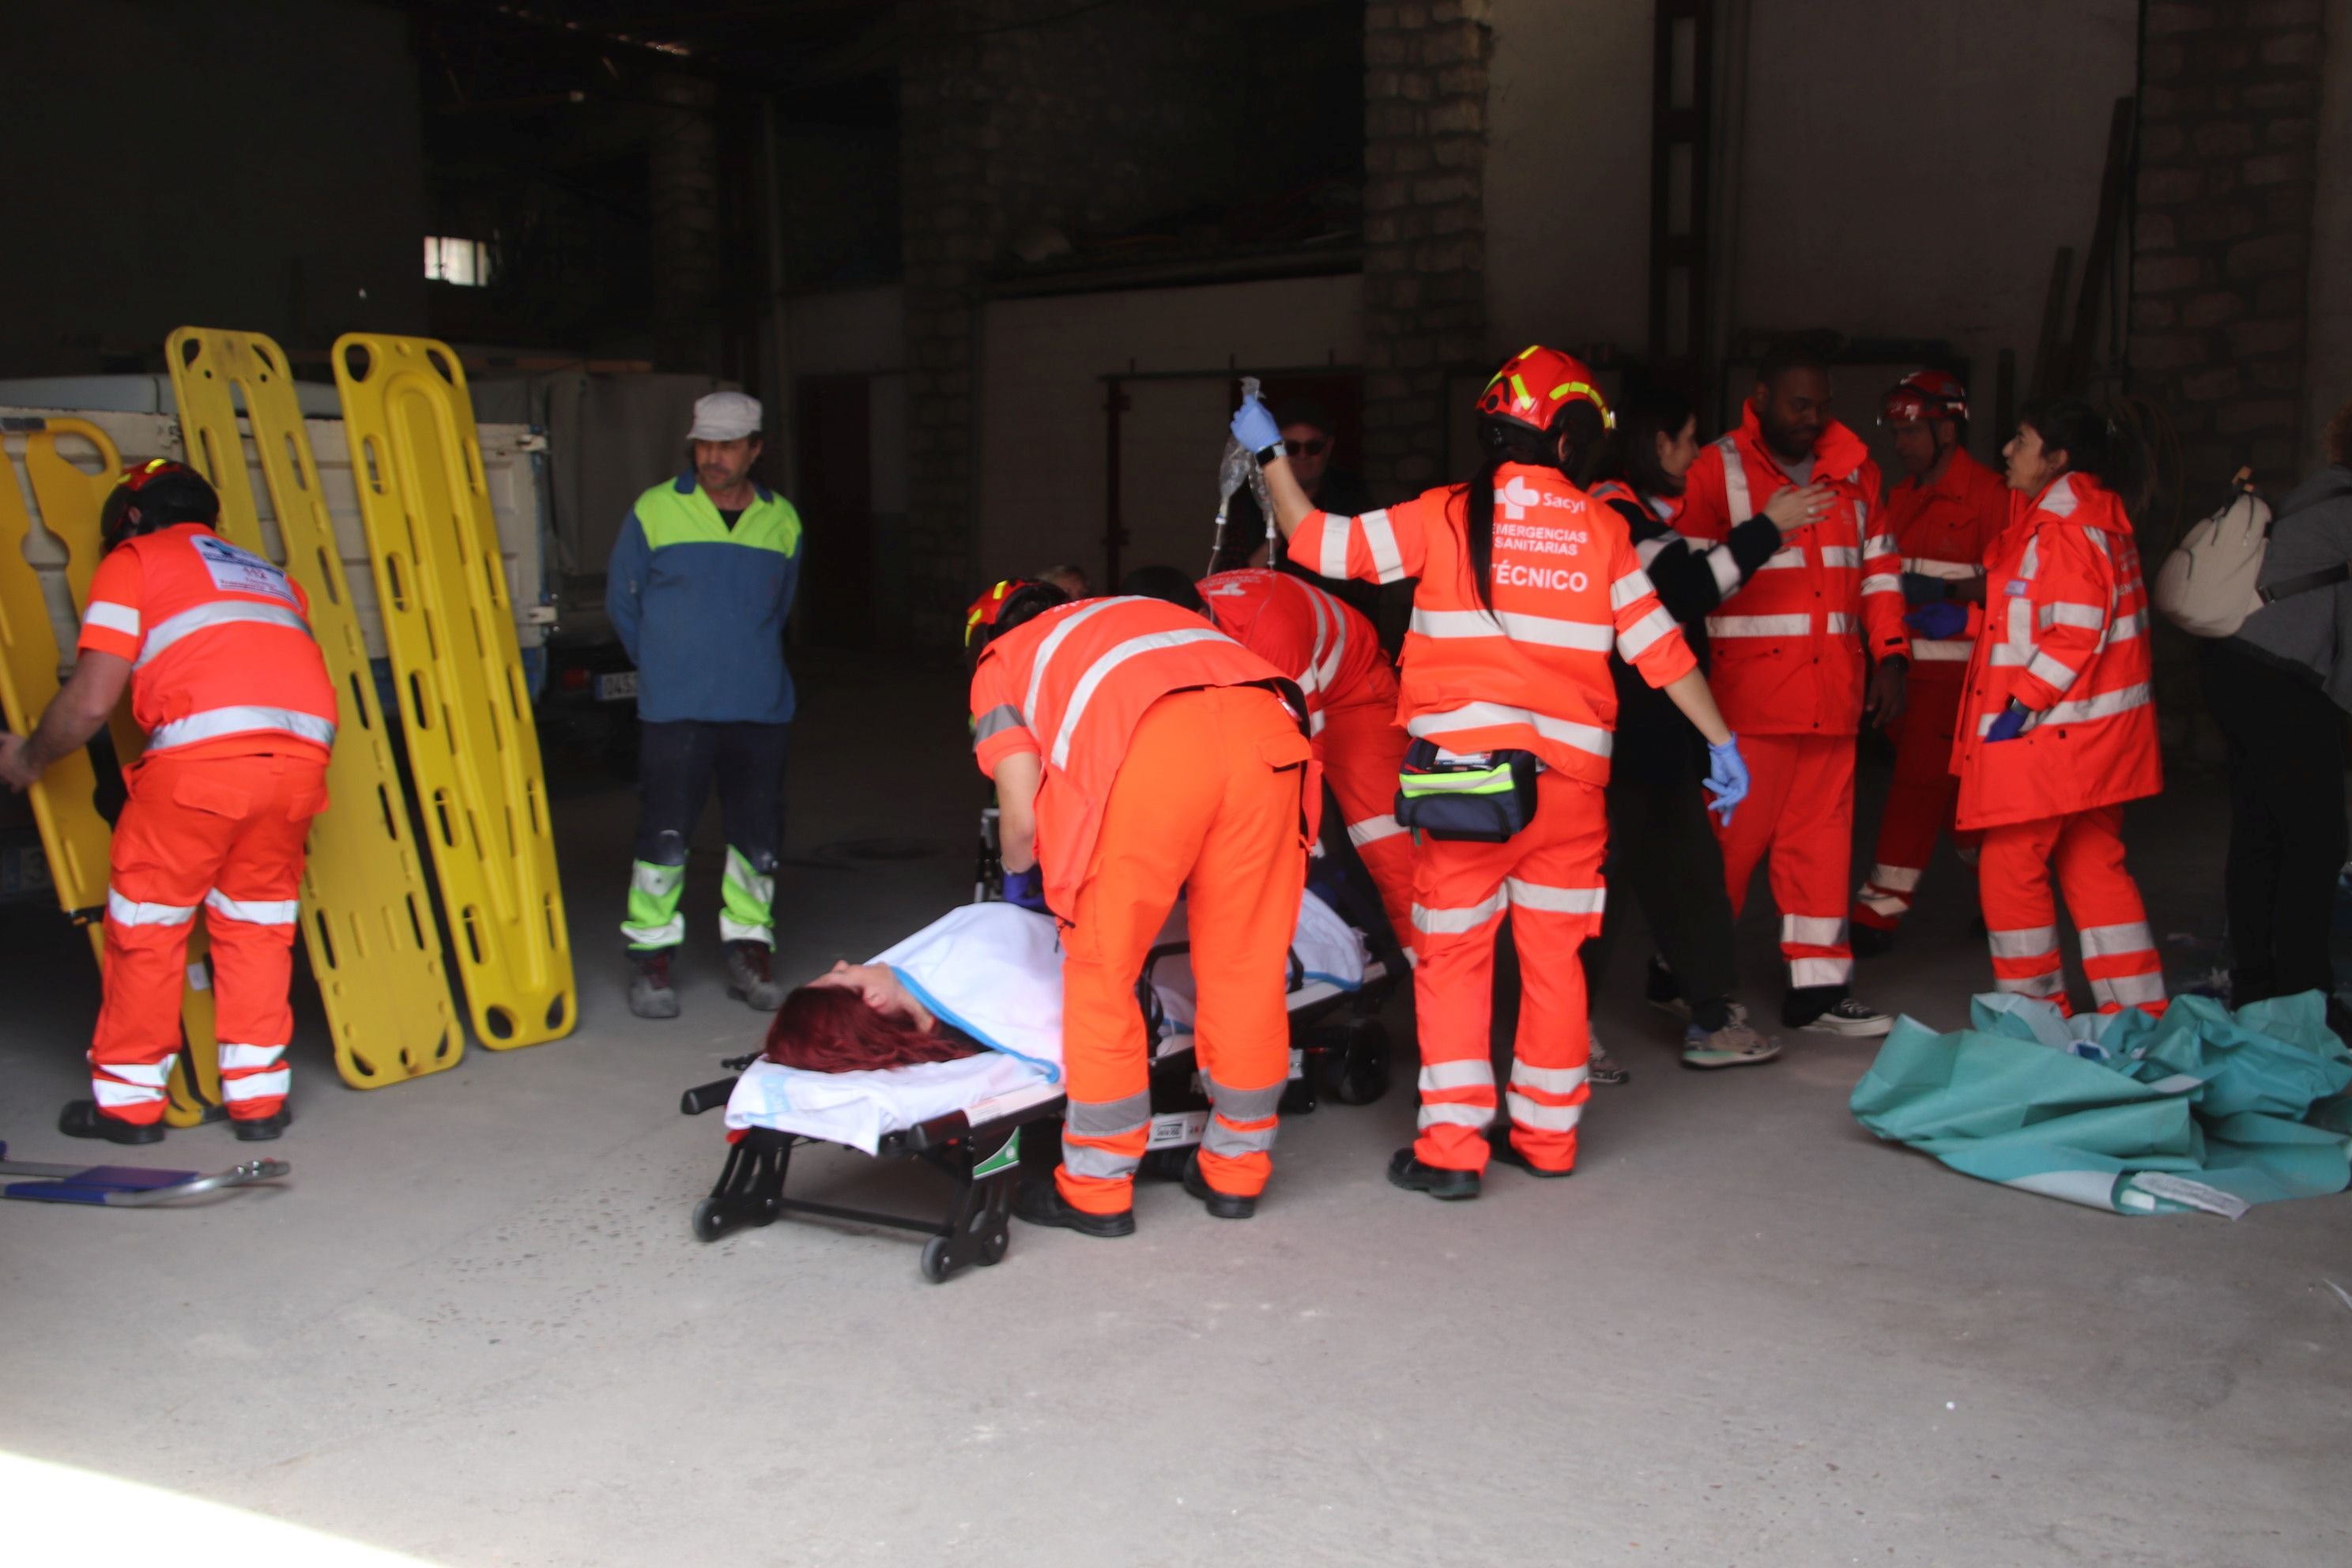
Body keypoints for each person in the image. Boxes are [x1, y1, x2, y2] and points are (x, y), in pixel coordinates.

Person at [1243, 345, 1751, 1198]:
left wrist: (1267, 454)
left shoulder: (1446, 513)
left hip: (1467, 789)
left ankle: (1452, 1150)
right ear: (1571, 440)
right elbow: (1661, 651)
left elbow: (1314, 540)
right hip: (1570, 797)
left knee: (1456, 960)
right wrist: (1721, 742)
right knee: (1556, 963)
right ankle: (1548, 1139)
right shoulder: (1602, 529)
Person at [0, 460, 336, 1144]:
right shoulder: (273, 578)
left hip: (200, 775)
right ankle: (259, 1104)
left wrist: (28, 758)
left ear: (129, 516)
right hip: (299, 773)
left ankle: (128, 1109)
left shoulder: (136, 560)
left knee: (149, 931)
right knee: (257, 928)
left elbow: (93, 700)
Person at [969, 582, 1317, 1233]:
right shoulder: (1142, 614)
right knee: (1246, 967)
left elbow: (1017, 826)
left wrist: (1027, 876)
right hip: (1268, 739)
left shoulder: (1004, 662)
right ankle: (1236, 1171)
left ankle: (1097, 1187)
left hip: (1150, 758)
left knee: (1103, 974)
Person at [1579, 384, 1827, 1072]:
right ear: (1658, 444)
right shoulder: (1612, 514)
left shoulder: (1631, 514)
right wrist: (1766, 529)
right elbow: (1683, 592)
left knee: (1681, 879)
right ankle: (1566, 1035)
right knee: (1595, 892)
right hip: (1619, 740)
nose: (1695, 455)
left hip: (1646, 740)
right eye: (1688, 439)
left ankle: (1709, 1016)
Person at [1675, 334, 1908, 1037]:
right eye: (1800, 403)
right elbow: (1684, 584)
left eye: (1824, 405)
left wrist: (1891, 653)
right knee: (1727, 851)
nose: (1813, 417)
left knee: (1823, 848)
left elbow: (1879, 571)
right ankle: (1686, 976)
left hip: (1832, 695)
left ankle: (1817, 989)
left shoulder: (1857, 472)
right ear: (1761, 401)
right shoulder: (1715, 469)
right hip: (1747, 701)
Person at [1954, 398, 2165, 1016]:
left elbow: (2074, 632)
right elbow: (2036, 620)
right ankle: (2138, 1014)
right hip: (2095, 745)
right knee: (2094, 865)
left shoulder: (2065, 528)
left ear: (2057, 458)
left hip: (2055, 740)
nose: (2007, 452)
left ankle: (2034, 1013)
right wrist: (1969, 619)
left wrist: (2020, 707)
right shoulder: (2086, 519)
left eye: (2021, 440)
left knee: (2008, 866)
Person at [606, 391, 804, 1020]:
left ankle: (750, 949)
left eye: (726, 446)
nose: (712, 457)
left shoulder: (784, 522)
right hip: (676, 708)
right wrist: (668, 665)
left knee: (756, 837)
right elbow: (623, 603)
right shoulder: (655, 511)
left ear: (755, 449)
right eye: (703, 445)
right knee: (664, 833)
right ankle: (650, 958)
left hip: (759, 706)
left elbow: (778, 611)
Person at [1120, 563, 1415, 941]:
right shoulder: (1165, 618)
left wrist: (1295, 838)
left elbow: (1305, 746)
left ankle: (1428, 963)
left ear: (1198, 617)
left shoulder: (1270, 631)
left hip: (1351, 691)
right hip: (1266, 681)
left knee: (1383, 839)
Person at [2198, 398, 2352, 1031]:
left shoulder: (2315, 497)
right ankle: (2304, 996)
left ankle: (2257, 986)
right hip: (2282, 679)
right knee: (2316, 841)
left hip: (2232, 664)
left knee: (2262, 829)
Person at [1850, 371, 2011, 951]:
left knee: (1915, 792)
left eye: (1912, 432)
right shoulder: (1902, 495)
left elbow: (2017, 588)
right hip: (1906, 675)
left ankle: (1877, 915)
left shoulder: (1993, 497)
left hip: (1957, 680)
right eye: (1895, 433)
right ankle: (2009, 897)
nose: (1901, 445)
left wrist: (1947, 594)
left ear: (1948, 429)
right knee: (1957, 806)